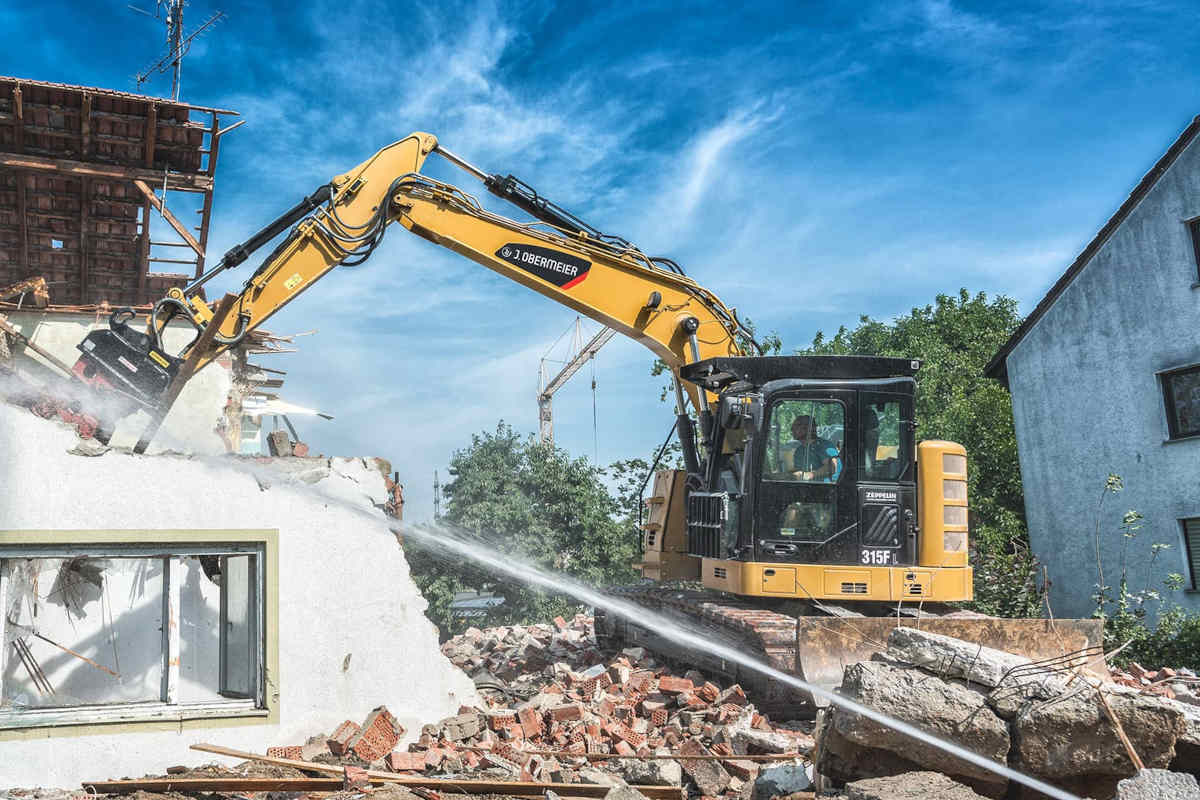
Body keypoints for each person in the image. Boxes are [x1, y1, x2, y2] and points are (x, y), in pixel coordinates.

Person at [787, 415, 840, 482]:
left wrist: (809, 475)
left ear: (809, 428)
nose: (792, 429)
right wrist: (782, 475)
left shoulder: (824, 445)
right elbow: (798, 472)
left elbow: (831, 467)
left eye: (797, 425)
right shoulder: (799, 450)